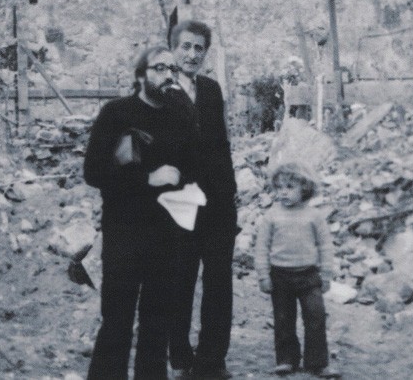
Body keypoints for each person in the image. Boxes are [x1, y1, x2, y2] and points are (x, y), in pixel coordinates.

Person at [84, 46, 200, 380]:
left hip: (167, 231)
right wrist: (147, 179)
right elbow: (93, 172)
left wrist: (187, 183)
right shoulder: (116, 112)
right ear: (140, 76)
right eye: (160, 68)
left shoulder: (180, 114)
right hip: (124, 229)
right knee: (117, 318)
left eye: (173, 69)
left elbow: (193, 166)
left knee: (158, 320)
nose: (168, 75)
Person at [167, 20, 238, 379]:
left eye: (199, 48)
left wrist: (230, 197)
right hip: (177, 204)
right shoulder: (157, 91)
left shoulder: (211, 90)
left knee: (219, 282)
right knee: (179, 281)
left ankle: (213, 359)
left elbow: (221, 146)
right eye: (186, 46)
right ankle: (180, 357)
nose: (192, 54)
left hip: (217, 204)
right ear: (173, 49)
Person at [254, 162, 340, 378]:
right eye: (279, 187)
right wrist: (263, 275)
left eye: (290, 187)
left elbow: (325, 246)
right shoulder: (272, 216)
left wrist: (326, 274)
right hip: (280, 275)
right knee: (283, 319)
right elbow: (262, 247)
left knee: (315, 317)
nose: (283, 192)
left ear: (305, 188)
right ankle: (286, 359)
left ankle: (317, 362)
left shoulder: (314, 216)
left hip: (309, 275)